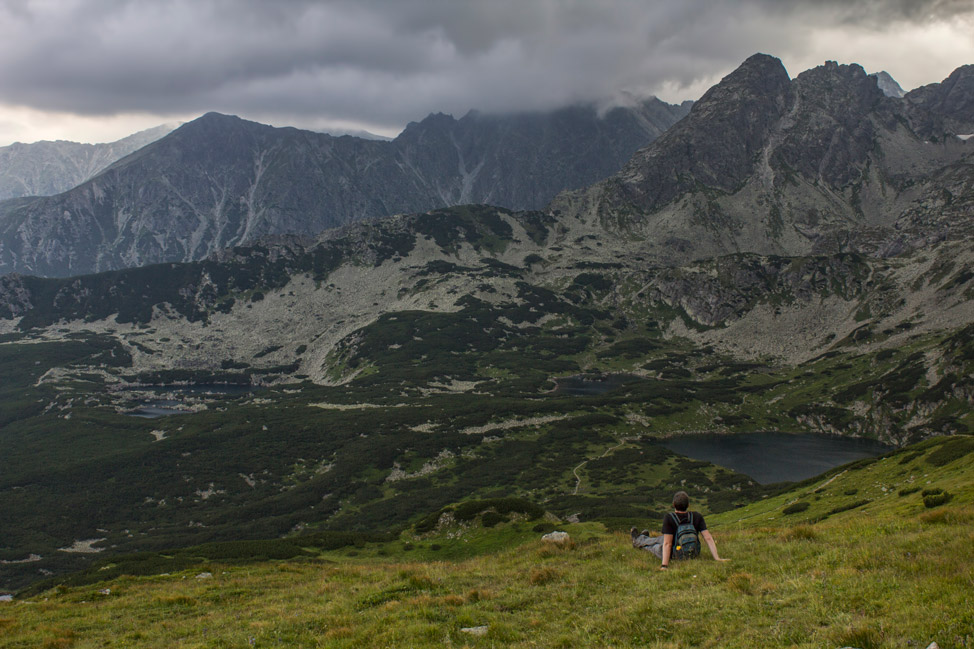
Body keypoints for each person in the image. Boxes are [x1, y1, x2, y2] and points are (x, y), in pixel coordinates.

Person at [631, 490, 728, 570]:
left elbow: (667, 544)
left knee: (654, 547)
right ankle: (641, 538)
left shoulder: (669, 518)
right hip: (693, 553)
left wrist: (664, 565)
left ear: (673, 504)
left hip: (675, 554)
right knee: (660, 539)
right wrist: (717, 558)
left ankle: (638, 542)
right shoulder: (696, 516)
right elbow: (708, 538)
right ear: (688, 505)